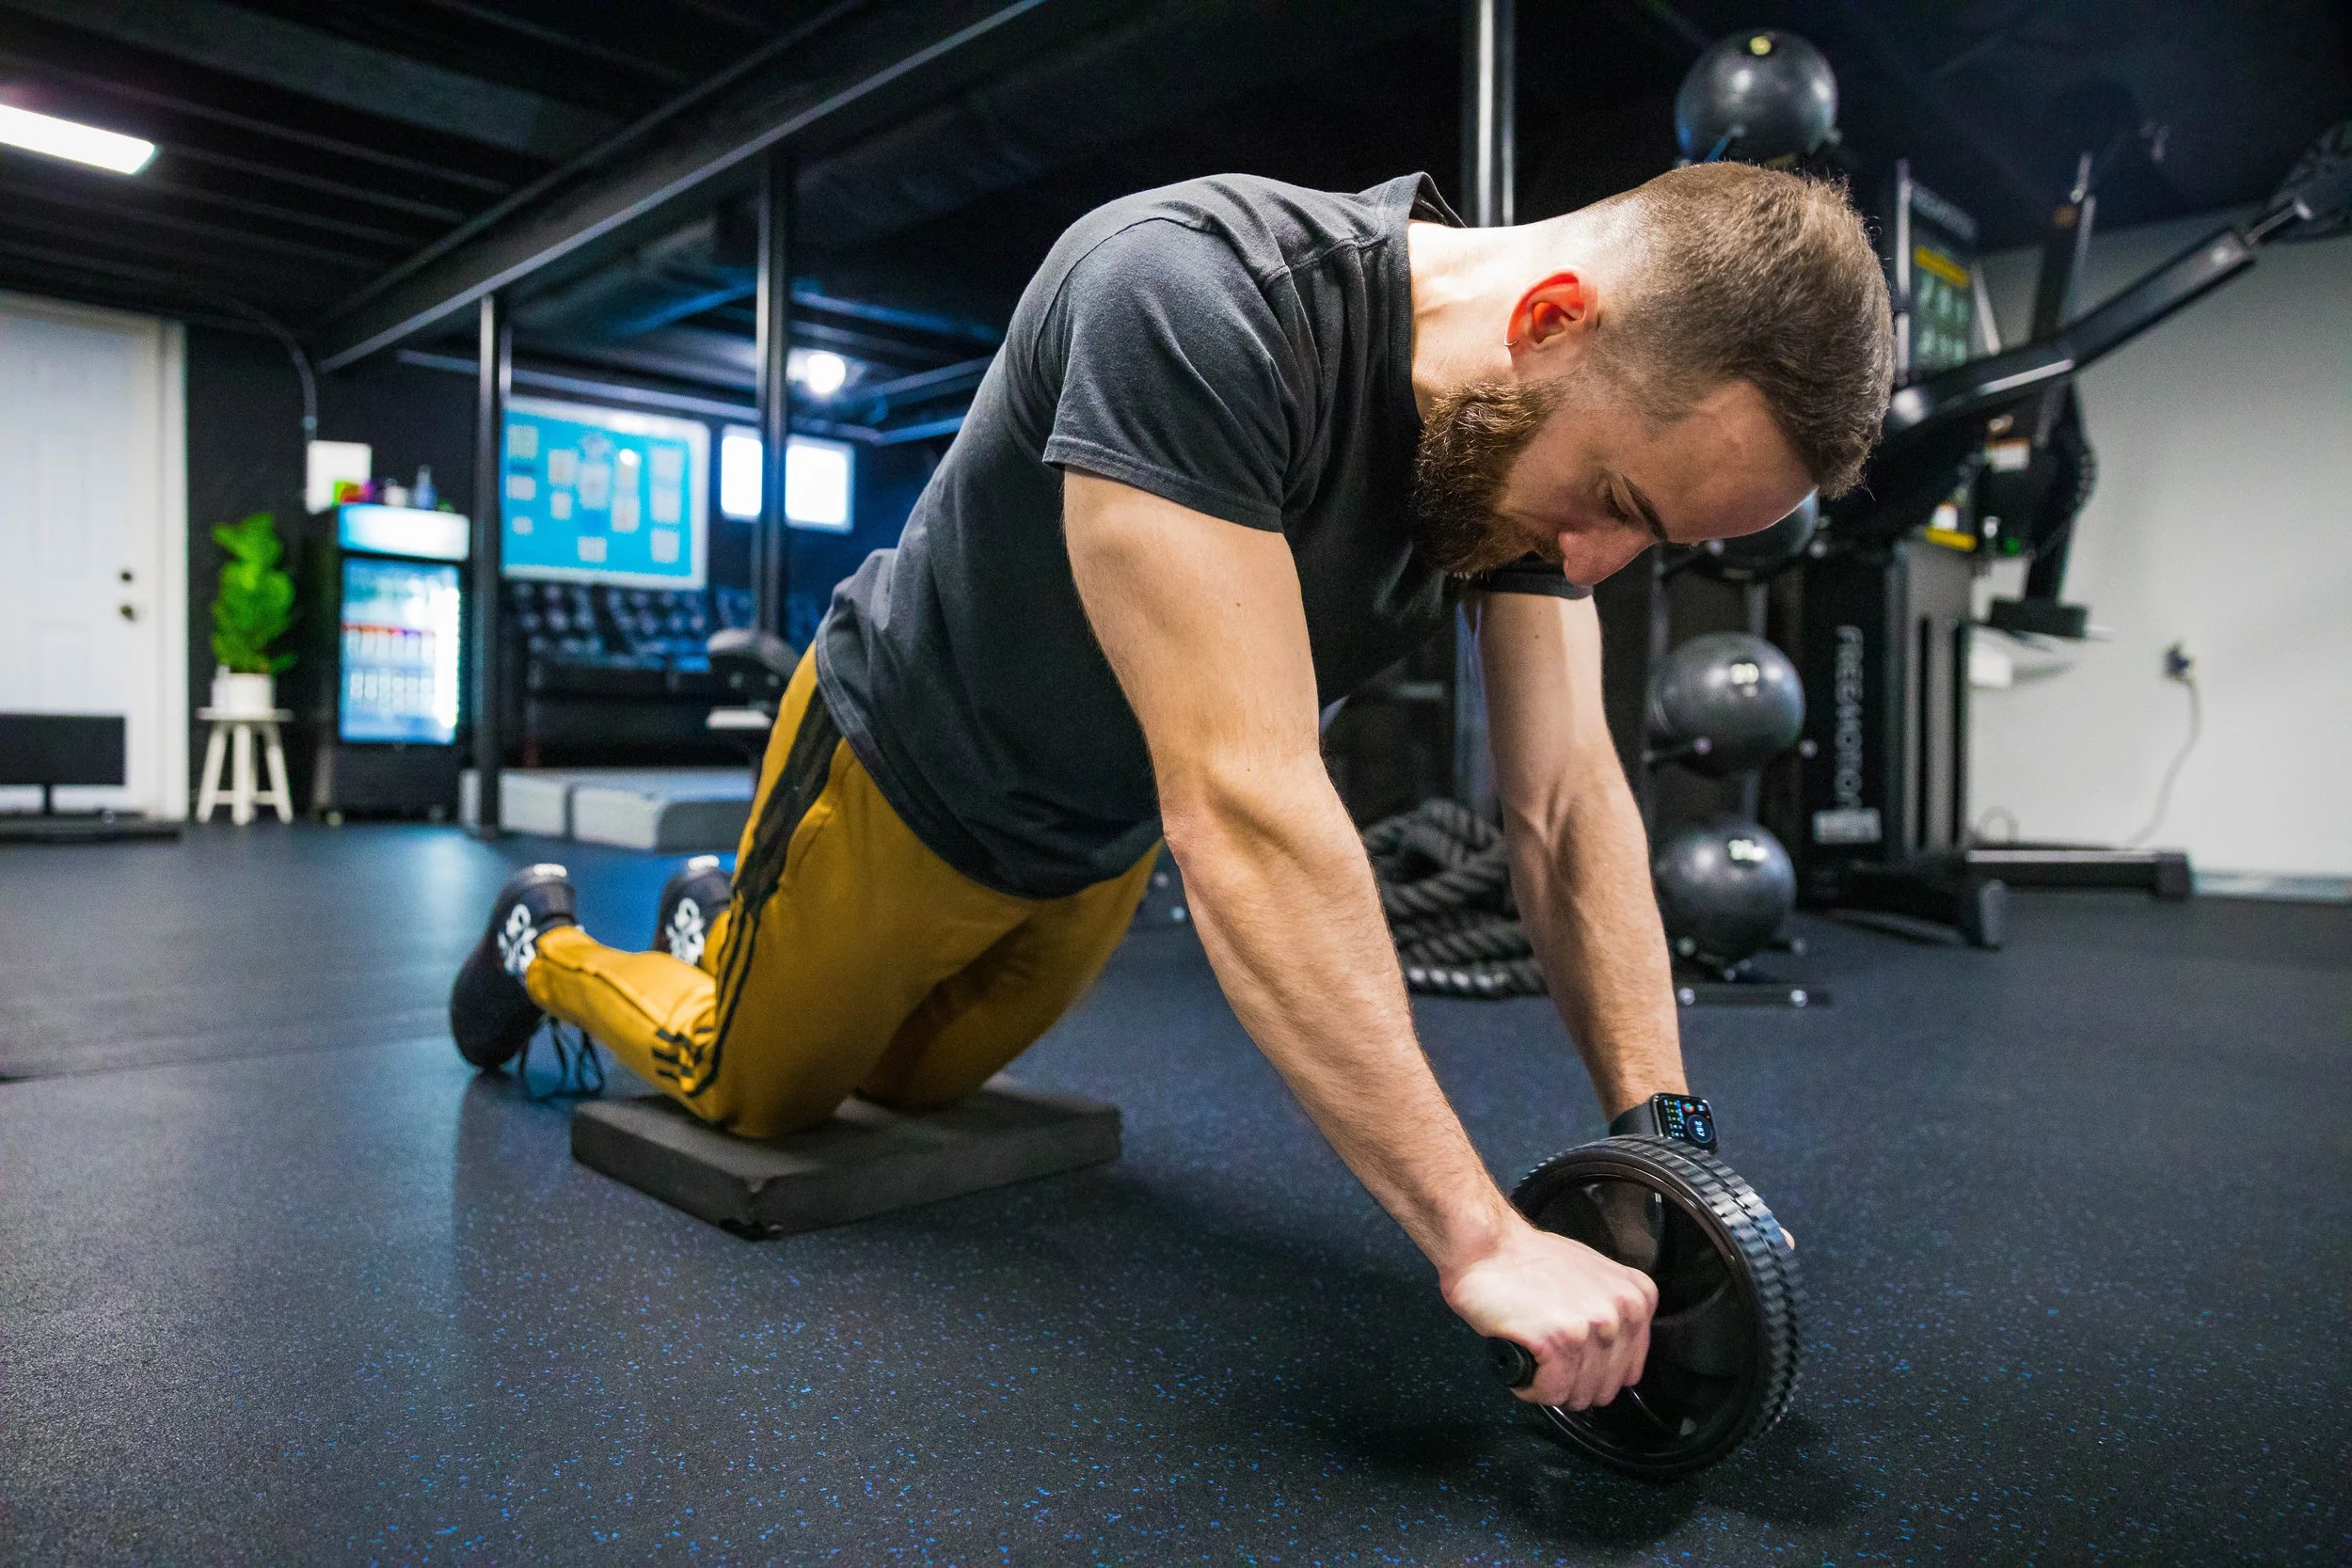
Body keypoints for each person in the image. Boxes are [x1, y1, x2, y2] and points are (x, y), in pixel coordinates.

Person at [450, 161, 1892, 1414]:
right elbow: (1249, 803)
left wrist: (1666, 1147)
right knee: (761, 1091)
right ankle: (554, 947)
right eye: (1620, 506)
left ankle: (736, 932)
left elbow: (1571, 806)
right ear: (1553, 319)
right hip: (905, 769)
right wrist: (1479, 1236)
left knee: (925, 1082)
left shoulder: (1518, 435)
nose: (1587, 567)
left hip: (1085, 844)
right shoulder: (1194, 301)